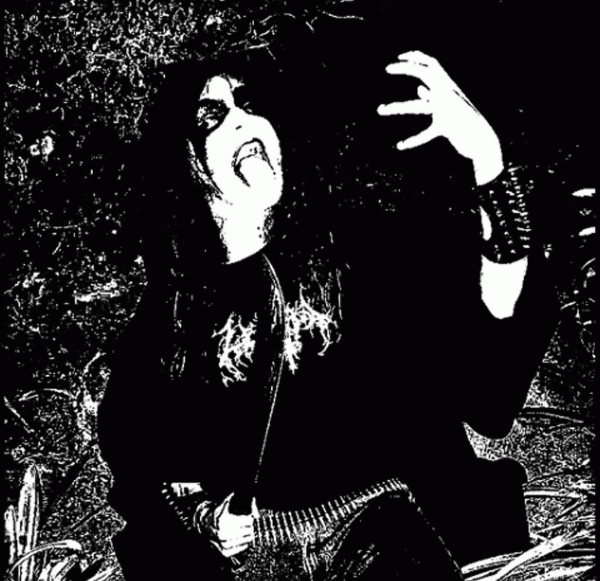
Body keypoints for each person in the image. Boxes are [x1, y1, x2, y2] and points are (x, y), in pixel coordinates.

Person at [98, 48, 557, 580]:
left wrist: (488, 163)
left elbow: (492, 347)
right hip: (273, 559)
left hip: (399, 529)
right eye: (211, 116)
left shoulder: (364, 250)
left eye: (249, 103)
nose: (243, 119)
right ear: (184, 161)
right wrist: (207, 519)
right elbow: (146, 464)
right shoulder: (173, 318)